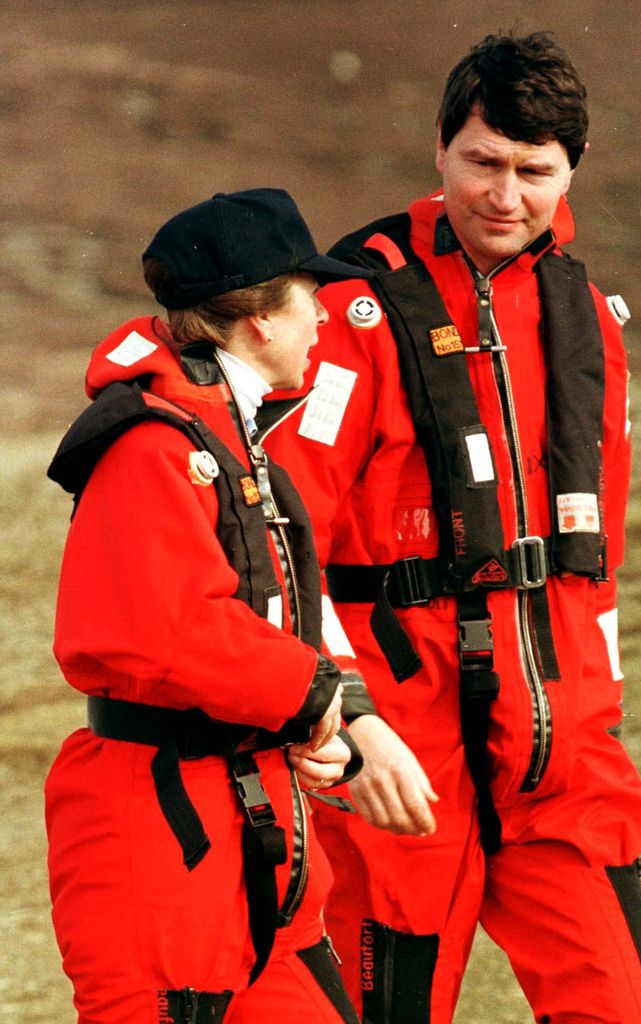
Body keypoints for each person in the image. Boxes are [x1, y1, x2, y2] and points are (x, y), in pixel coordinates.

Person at [264, 33, 641, 1024]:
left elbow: (600, 566)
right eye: (482, 161)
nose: (506, 195)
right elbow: (287, 539)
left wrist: (597, 714)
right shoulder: (350, 313)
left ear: (570, 168)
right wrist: (345, 714)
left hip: (559, 761)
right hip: (399, 764)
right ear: (439, 150)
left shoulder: (588, 324)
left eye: (533, 170)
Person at [44, 188, 376, 1024]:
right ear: (261, 318)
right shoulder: (151, 448)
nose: (323, 319)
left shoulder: (226, 437)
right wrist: (316, 697)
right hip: (162, 843)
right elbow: (170, 630)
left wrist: (312, 718)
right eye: (310, 297)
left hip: (243, 822)